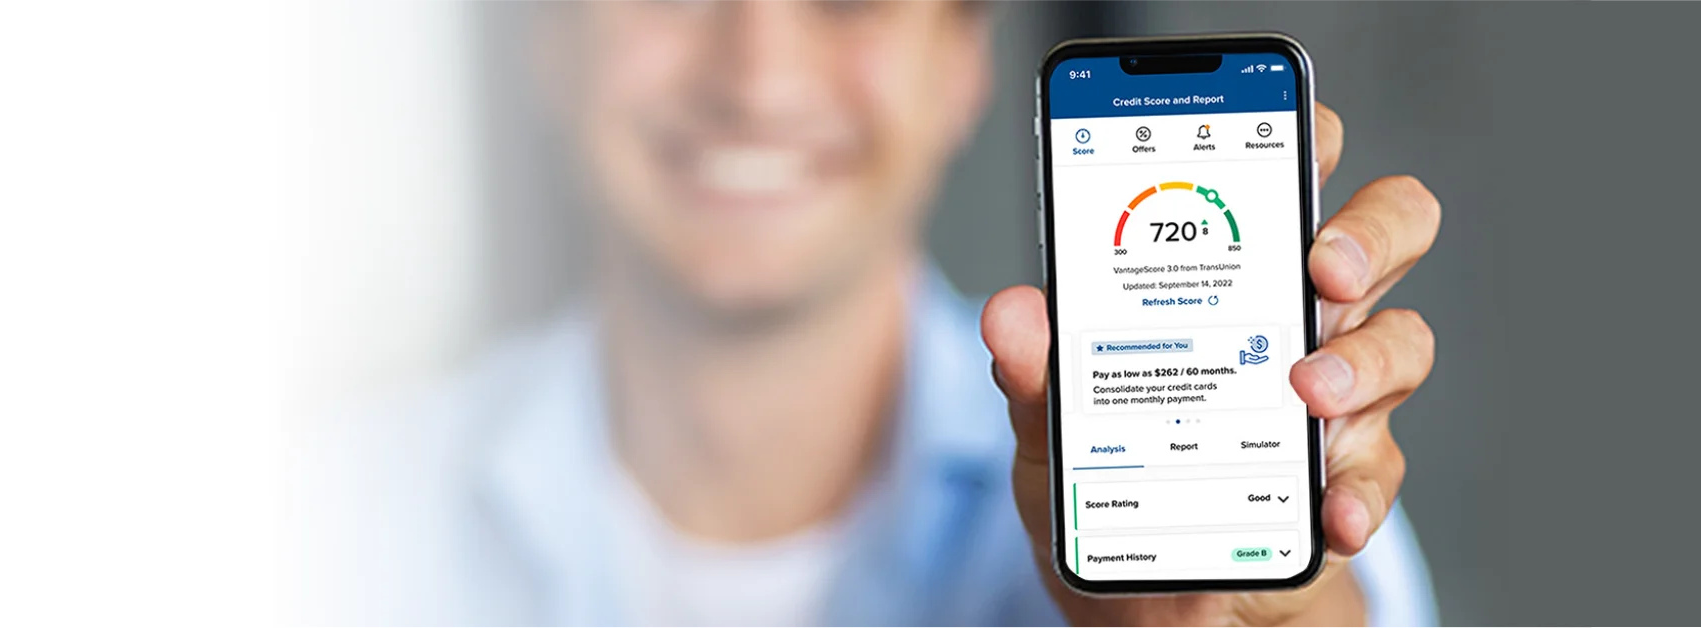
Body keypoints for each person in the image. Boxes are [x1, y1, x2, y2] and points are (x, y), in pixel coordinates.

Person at [325, 0, 1443, 626]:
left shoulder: (1272, 499)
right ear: (545, 38)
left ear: (963, 61)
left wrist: (1229, 625)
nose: (756, 76)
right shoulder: (304, 527)